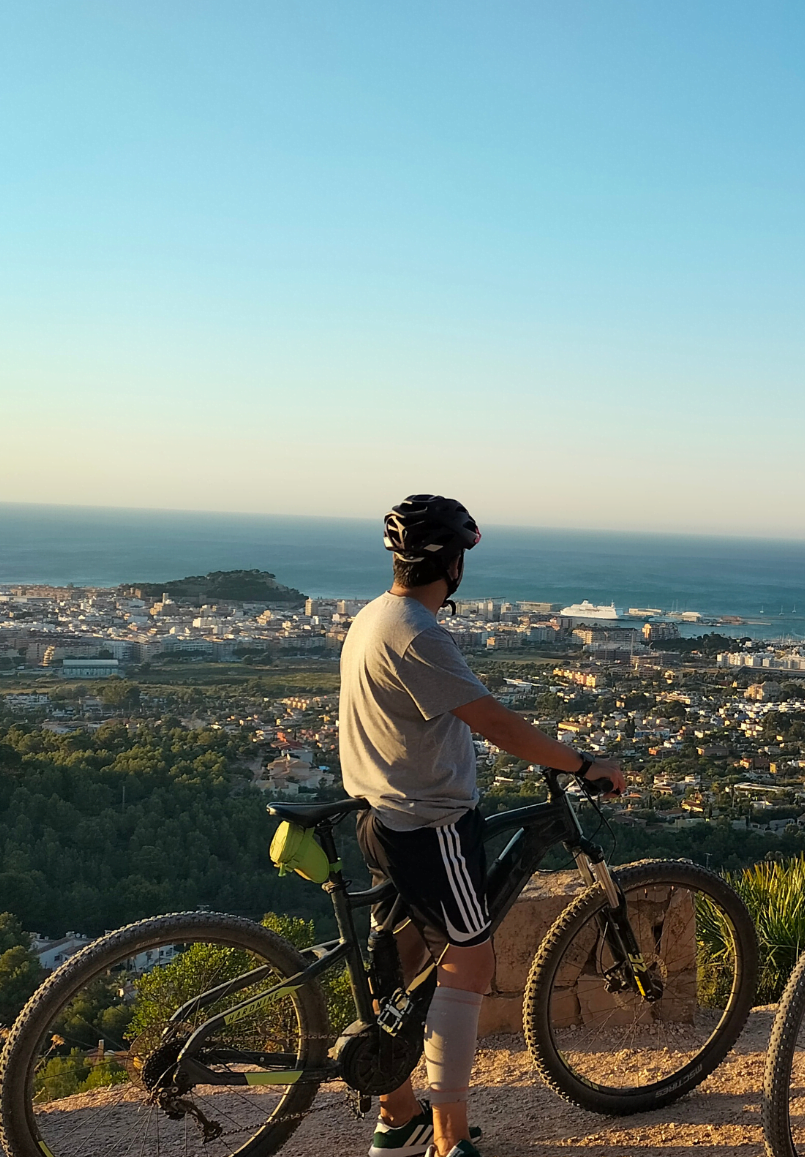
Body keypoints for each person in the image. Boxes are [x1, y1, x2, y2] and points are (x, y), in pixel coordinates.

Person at [341, 495, 626, 1157]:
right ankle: (448, 1139)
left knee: (403, 964)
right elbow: (494, 723)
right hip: (428, 825)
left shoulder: (372, 618)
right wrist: (583, 763)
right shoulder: (419, 632)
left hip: (378, 817)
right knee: (469, 963)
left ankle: (398, 1116)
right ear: (452, 562)